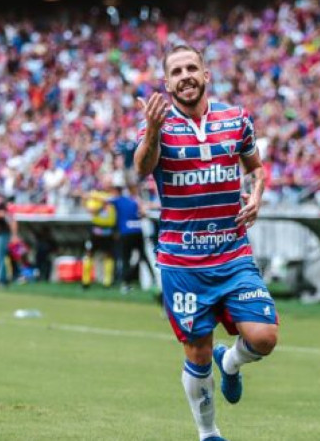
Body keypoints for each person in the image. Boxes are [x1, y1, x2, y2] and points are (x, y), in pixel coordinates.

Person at [134, 44, 278, 441]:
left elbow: (257, 168)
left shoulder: (236, 118)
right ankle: (208, 433)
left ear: (206, 74)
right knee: (196, 352)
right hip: (182, 262)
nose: (185, 76)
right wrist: (151, 129)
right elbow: (143, 167)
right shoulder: (156, 122)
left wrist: (256, 194)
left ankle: (229, 363)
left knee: (264, 337)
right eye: (176, 72)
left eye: (191, 68)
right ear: (167, 83)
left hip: (233, 252)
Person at [111, 185, 155, 293]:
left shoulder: (119, 200)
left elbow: (104, 200)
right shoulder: (136, 200)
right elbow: (143, 213)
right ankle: (154, 279)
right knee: (144, 257)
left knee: (126, 259)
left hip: (126, 233)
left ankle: (126, 284)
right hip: (137, 231)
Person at [82, 181, 118, 287]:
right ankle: (86, 281)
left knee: (109, 255)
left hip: (109, 230)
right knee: (89, 254)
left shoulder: (113, 197)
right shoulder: (95, 197)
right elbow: (91, 210)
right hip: (96, 230)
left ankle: (107, 282)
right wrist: (103, 204)